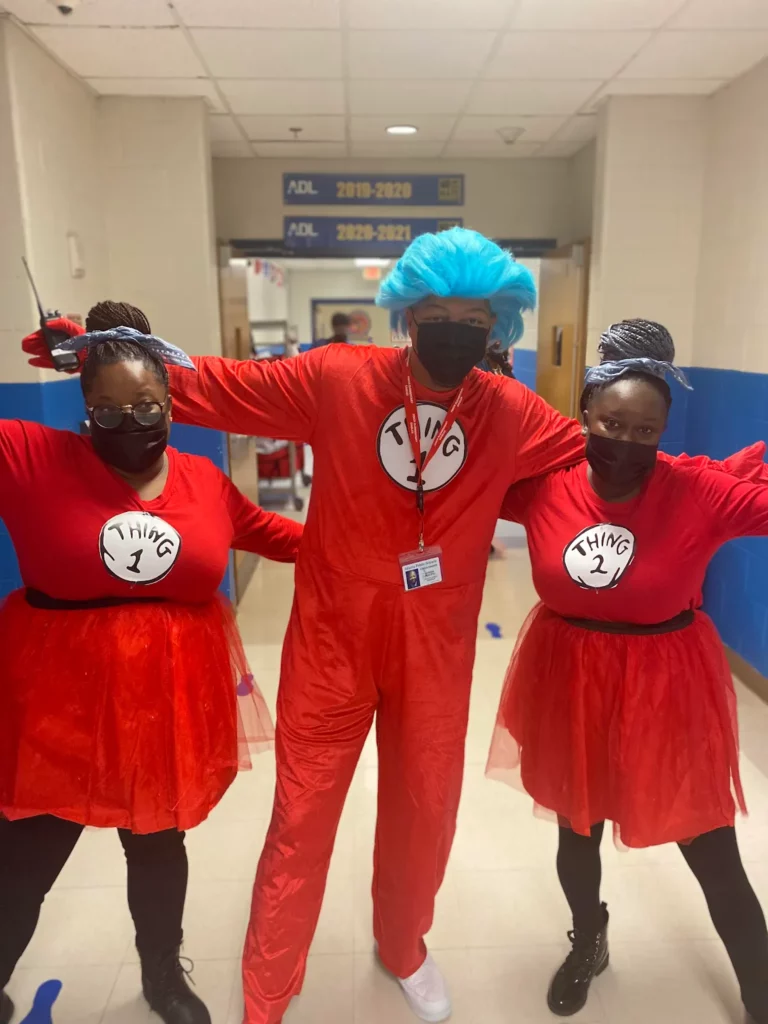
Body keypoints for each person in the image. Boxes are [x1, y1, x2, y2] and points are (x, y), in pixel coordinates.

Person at [25, 227, 588, 1024]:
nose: (456, 330)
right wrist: (103, 351)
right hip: (333, 639)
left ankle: (405, 947)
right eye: (438, 312)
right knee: (301, 817)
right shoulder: (339, 378)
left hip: (437, 644)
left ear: (498, 325)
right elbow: (217, 386)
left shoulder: (511, 410)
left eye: (475, 318)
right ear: (407, 314)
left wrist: (720, 486)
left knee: (424, 812)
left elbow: (604, 458)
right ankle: (267, 994)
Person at [1, 323, 303, 1024]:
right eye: (108, 411)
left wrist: (367, 548)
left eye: (146, 409)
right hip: (60, 700)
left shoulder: (203, 479)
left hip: (164, 697)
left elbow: (274, 534)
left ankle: (163, 975)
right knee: (23, 855)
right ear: (83, 409)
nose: (130, 424)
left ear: (173, 404)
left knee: (159, 844)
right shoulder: (30, 455)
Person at [487, 319, 768, 1023]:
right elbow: (466, 474)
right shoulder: (544, 486)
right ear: (585, 414)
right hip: (569, 675)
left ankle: (762, 990)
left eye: (645, 430)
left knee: (711, 848)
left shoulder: (698, 492)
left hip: (668, 684)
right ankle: (590, 941)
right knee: (575, 831)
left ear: (665, 430)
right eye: (612, 422)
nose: (626, 440)